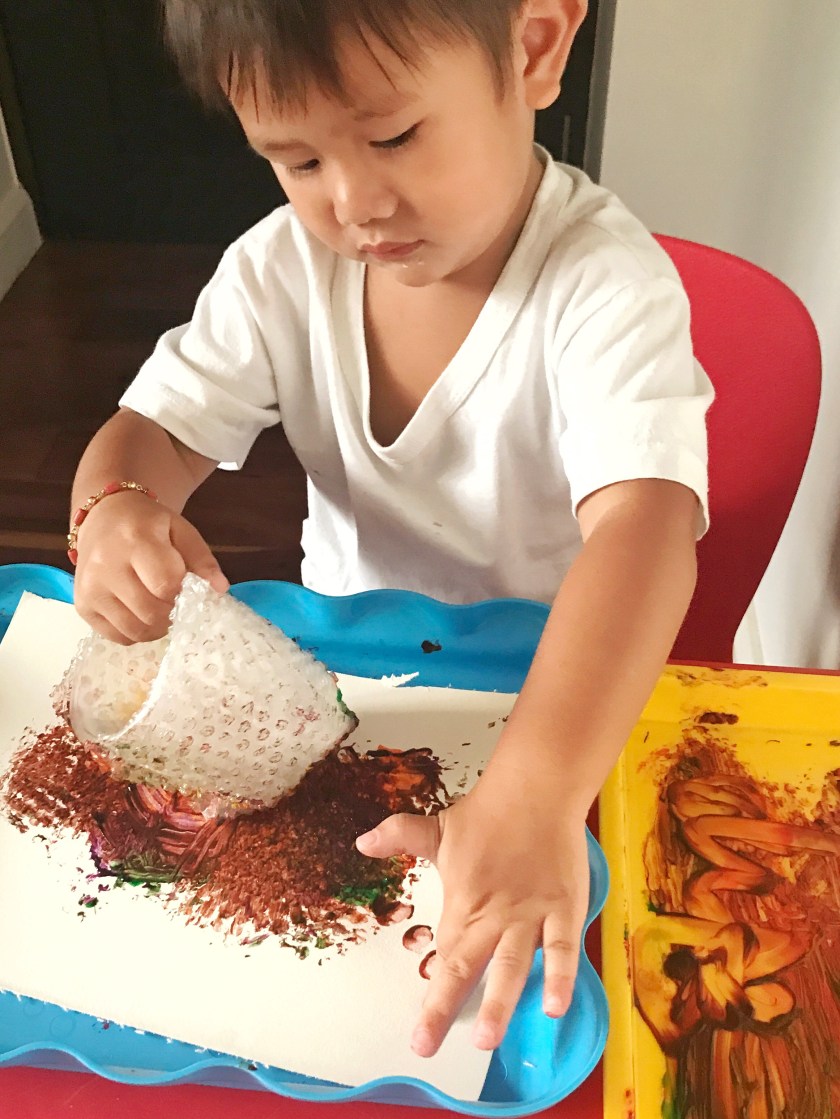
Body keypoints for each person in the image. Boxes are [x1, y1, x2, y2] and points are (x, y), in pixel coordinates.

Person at [70, 0, 713, 1061]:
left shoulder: (603, 287)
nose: (354, 203)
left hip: (554, 704)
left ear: (535, 47)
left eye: (396, 135)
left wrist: (538, 792)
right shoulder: (280, 269)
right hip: (352, 674)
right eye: (297, 160)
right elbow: (153, 433)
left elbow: (646, 528)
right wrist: (113, 509)